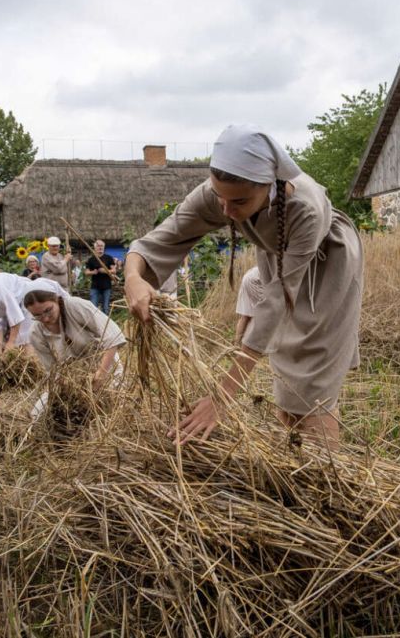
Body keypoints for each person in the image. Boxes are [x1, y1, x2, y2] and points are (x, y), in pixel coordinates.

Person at [125, 124, 363, 447]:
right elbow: (161, 238)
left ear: (270, 185)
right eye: (219, 197)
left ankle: (330, 481)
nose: (226, 210)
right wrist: (133, 279)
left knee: (315, 381)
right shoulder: (222, 194)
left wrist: (222, 398)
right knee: (286, 362)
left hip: (328, 265)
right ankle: (296, 463)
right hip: (278, 259)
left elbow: (275, 302)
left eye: (238, 202)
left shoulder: (304, 208)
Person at [23, 280, 127, 420]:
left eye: (48, 310)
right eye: (37, 315)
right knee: (37, 414)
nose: (45, 318)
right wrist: (73, 389)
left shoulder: (75, 306)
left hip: (105, 365)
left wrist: (100, 375)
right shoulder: (35, 333)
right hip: (74, 377)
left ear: (56, 299)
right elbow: (53, 371)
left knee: (114, 409)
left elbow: (113, 335)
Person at [84, 239, 116, 314]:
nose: (100, 247)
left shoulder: (109, 258)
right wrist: (93, 272)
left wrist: (105, 271)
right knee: (93, 307)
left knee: (105, 308)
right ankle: (94, 324)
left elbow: (114, 271)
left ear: (104, 247)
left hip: (106, 286)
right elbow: (86, 272)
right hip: (95, 286)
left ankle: (105, 325)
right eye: (98, 246)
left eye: (102, 246)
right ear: (95, 248)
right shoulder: (91, 259)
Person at [234, 266, 262, 346]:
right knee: (259, 314)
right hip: (254, 280)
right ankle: (249, 346)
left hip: (248, 277)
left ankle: (236, 345)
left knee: (245, 316)